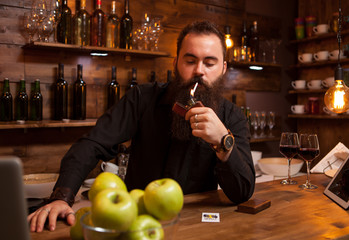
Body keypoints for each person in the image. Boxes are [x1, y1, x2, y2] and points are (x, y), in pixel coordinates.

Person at [28, 20, 255, 232]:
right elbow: (92, 143)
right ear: (176, 63)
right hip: (134, 221)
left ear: (223, 68)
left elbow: (242, 193)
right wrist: (62, 196)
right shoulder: (142, 99)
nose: (199, 70)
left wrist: (222, 141)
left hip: (196, 227)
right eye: (190, 60)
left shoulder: (231, 117)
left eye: (209, 62)